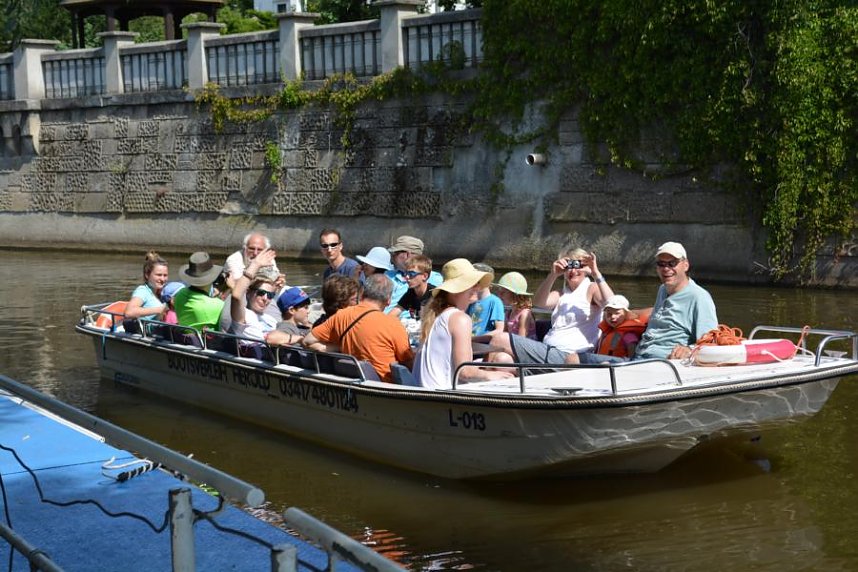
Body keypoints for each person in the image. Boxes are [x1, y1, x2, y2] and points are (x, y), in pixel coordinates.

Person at [488, 249, 614, 365]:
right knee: (502, 360)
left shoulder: (592, 288)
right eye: (568, 266)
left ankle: (476, 370)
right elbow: (539, 302)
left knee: (499, 339)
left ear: (585, 268)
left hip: (571, 355)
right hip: (548, 351)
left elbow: (612, 303)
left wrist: (596, 273)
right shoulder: (561, 293)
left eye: (577, 265)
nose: (572, 271)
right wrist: (553, 275)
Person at [415, 259, 515, 390]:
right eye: (471, 284)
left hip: (426, 391)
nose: (477, 287)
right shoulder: (460, 319)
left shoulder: (437, 314)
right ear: (455, 290)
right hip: (442, 394)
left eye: (477, 283)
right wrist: (492, 375)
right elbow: (465, 372)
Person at [302, 274, 413, 383]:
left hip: (355, 380)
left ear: (362, 294)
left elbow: (307, 341)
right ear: (388, 300)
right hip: (386, 386)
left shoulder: (341, 315)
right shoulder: (394, 324)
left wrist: (338, 347)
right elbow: (409, 363)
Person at [633, 242, 718, 360]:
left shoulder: (699, 297)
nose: (666, 269)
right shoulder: (663, 289)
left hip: (663, 364)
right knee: (598, 361)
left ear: (686, 265)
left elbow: (710, 341)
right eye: (661, 264)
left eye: (672, 263)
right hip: (639, 356)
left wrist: (689, 350)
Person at [229, 248, 279, 341]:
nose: (265, 298)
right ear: (248, 292)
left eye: (270, 295)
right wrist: (255, 265)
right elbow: (236, 296)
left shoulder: (271, 320)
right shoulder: (244, 316)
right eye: (261, 293)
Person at [384, 235, 443, 314]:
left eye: (395, 254)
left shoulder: (434, 279)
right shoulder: (387, 275)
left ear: (407, 255)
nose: (392, 258)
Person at [173, 252, 226, 332]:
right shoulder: (218, 306)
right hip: (209, 344)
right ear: (212, 278)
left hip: (186, 340)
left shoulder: (179, 295)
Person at [123, 251, 169, 328]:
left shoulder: (163, 291)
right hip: (149, 334)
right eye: (159, 275)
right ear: (147, 275)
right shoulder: (142, 291)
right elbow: (129, 312)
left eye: (165, 275)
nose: (162, 279)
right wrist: (159, 309)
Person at [596, 295, 648, 359]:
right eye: (609, 314)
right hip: (603, 363)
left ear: (626, 314)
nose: (612, 317)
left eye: (617, 313)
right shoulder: (607, 331)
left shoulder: (629, 335)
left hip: (617, 365)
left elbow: (632, 356)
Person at [389, 255, 434, 320]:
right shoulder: (411, 292)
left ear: (424, 276)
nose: (406, 277)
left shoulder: (435, 295)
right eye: (406, 273)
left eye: (411, 274)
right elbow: (392, 314)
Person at [466, 263, 505, 336]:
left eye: (477, 280)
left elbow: (499, 330)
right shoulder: (470, 300)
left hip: (483, 344)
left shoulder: (495, 302)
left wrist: (474, 339)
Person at [495, 271, 536, 339]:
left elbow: (521, 340)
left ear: (515, 295)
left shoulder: (525, 314)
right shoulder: (508, 313)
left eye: (503, 292)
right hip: (512, 344)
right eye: (499, 291)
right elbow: (504, 334)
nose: (499, 295)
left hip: (523, 347)